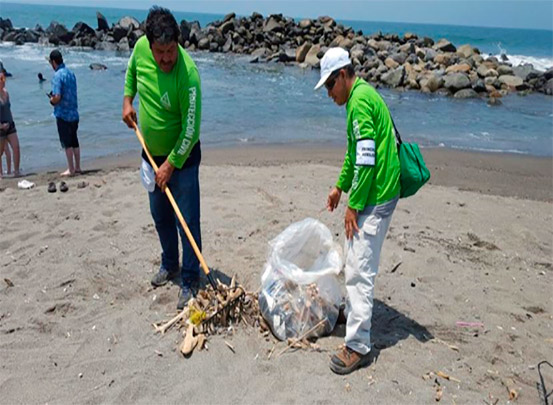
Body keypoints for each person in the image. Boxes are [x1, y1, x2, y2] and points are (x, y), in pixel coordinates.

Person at [314, 48, 401, 375]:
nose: (328, 93)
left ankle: (358, 346)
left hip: (377, 196)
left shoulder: (360, 102)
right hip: (374, 192)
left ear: (342, 76)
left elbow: (367, 161)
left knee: (360, 269)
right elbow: (354, 153)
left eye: (329, 86)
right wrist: (339, 187)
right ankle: (351, 312)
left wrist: (354, 205)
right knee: (353, 256)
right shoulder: (357, 100)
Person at [122, 6, 202, 310]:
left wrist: (171, 164)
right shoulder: (141, 49)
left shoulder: (188, 75)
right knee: (161, 216)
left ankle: (191, 277)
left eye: (171, 50)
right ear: (150, 45)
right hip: (150, 156)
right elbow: (131, 73)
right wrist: (127, 101)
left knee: (187, 220)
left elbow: (191, 129)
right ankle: (170, 263)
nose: (166, 58)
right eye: (160, 51)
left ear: (178, 44)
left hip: (182, 160)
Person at [48, 49, 81, 176]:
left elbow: (57, 97)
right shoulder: (71, 73)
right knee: (75, 141)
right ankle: (78, 167)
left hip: (63, 114)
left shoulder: (57, 76)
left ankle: (71, 169)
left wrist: (51, 100)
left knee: (67, 143)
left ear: (54, 62)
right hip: (74, 113)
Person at [0, 70, 21, 178]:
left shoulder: (6, 93)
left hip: (10, 124)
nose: (3, 82)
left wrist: (11, 121)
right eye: (1, 80)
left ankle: (16, 171)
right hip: (1, 127)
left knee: (16, 147)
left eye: (4, 79)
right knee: (1, 152)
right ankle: (1, 174)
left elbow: (8, 109)